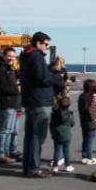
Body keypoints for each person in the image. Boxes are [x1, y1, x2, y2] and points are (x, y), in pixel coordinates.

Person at [19, 32, 65, 178]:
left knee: (30, 136)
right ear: (38, 43)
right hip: (40, 100)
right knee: (38, 136)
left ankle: (28, 167)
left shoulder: (25, 55)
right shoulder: (36, 56)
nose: (46, 47)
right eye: (45, 44)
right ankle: (33, 168)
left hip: (30, 100)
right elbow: (42, 78)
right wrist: (57, 77)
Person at [0, 48, 21, 165]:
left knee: (9, 130)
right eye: (9, 56)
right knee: (5, 130)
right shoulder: (1, 69)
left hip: (12, 102)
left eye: (13, 56)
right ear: (4, 56)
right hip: (6, 102)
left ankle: (6, 152)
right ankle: (1, 154)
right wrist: (17, 89)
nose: (11, 58)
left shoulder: (10, 68)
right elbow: (3, 87)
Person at [77, 78, 96, 165]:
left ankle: (84, 156)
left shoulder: (81, 96)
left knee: (85, 140)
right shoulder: (90, 98)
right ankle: (90, 157)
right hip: (91, 122)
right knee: (90, 140)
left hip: (83, 121)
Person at [50, 93, 76, 173]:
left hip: (57, 134)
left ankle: (55, 166)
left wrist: (52, 133)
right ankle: (67, 165)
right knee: (66, 151)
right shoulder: (70, 114)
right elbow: (72, 124)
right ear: (68, 106)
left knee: (57, 150)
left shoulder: (55, 113)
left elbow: (52, 124)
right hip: (66, 135)